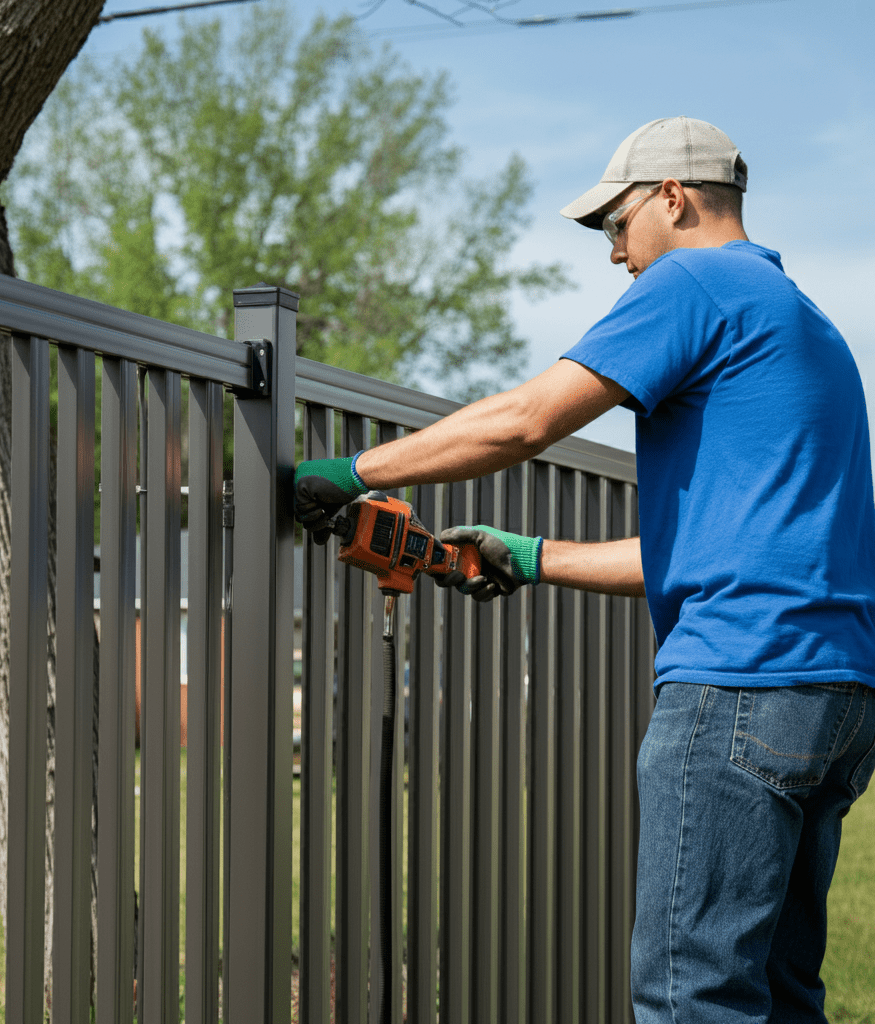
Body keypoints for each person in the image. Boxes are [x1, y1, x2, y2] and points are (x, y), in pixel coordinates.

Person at [294, 116, 875, 1023]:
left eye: (615, 225)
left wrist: (351, 472)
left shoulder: (695, 279)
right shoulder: (809, 327)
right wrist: (531, 557)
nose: (614, 255)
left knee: (696, 998)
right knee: (780, 992)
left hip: (736, 686)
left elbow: (526, 419)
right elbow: (729, 551)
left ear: (673, 199)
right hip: (832, 698)